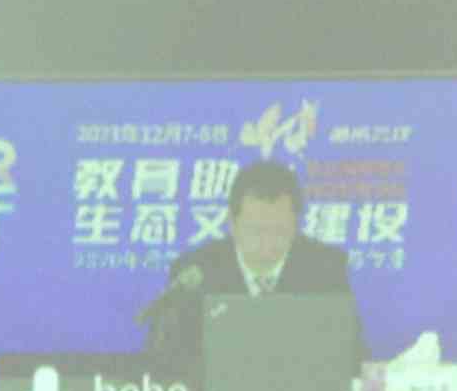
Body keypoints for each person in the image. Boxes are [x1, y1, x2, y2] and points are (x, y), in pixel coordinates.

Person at [137, 155, 359, 374]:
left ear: (296, 225)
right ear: (232, 224)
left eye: (279, 229)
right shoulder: (196, 271)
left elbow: (354, 356)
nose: (267, 240)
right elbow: (166, 363)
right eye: (256, 230)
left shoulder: (325, 268)